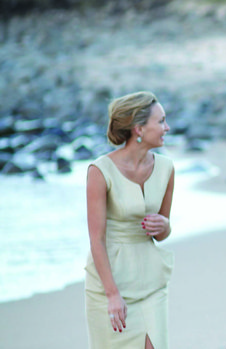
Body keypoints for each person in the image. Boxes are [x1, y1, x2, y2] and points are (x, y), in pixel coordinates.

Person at [84, 91, 175, 349]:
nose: (167, 128)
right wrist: (112, 294)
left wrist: (165, 226)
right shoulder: (100, 171)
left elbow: (162, 231)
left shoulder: (167, 168)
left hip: (151, 281)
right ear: (139, 129)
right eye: (161, 121)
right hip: (111, 282)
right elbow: (96, 239)